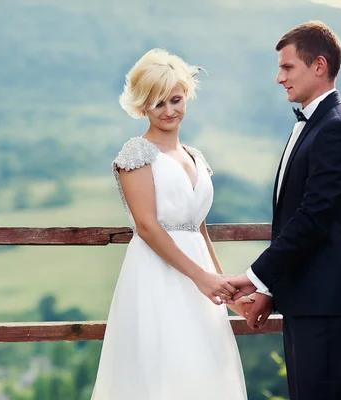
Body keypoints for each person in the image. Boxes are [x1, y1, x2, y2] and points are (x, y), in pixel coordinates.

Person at [91, 48, 248, 400]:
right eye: (158, 103)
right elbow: (147, 228)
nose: (169, 111)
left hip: (201, 277)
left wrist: (223, 285)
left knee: (204, 370)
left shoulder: (195, 156)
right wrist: (201, 277)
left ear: (186, 97)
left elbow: (199, 229)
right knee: (164, 369)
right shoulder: (136, 153)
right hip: (156, 275)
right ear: (143, 106)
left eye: (175, 100)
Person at [227, 21, 341, 400]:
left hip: (323, 304)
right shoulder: (316, 125)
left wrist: (256, 275)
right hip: (307, 299)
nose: (279, 78)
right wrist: (271, 288)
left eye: (287, 67)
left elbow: (313, 220)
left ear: (318, 65)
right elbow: (296, 221)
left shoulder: (336, 129)